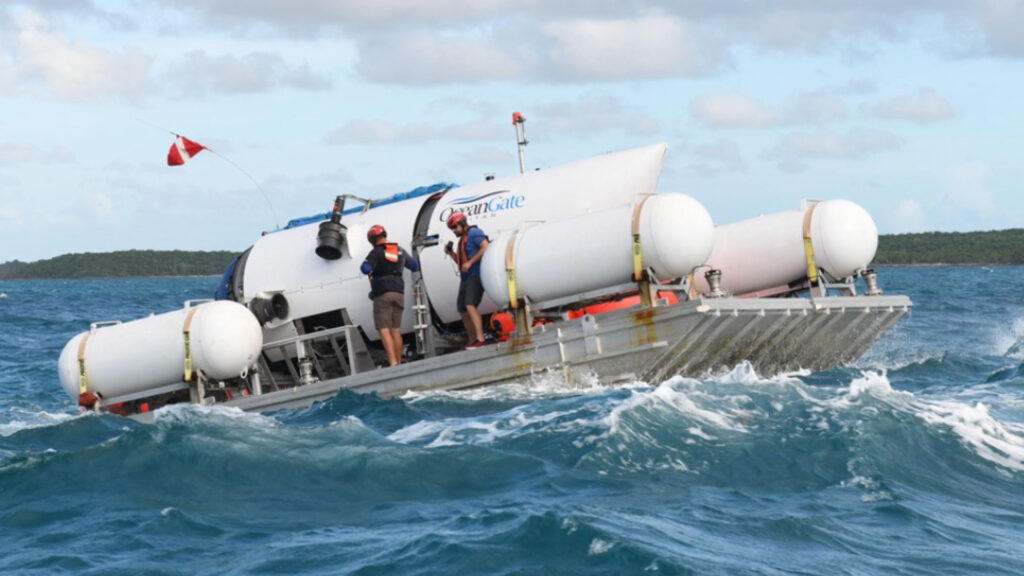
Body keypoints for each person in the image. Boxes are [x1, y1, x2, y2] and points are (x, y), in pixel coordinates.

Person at [360, 225, 419, 366]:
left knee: (384, 330)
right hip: (399, 293)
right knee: (395, 329)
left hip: (383, 295)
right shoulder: (399, 250)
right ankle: (398, 361)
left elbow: (365, 268)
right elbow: (414, 266)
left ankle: (393, 363)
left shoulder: (375, 252)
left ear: (373, 240)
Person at [443, 212, 489, 349]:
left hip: (475, 274)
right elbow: (461, 262)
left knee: (470, 304)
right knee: (462, 308)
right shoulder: (462, 239)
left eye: (454, 227)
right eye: (451, 228)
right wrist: (451, 253)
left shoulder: (474, 233)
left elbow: (485, 246)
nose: (453, 230)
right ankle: (472, 339)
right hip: (466, 277)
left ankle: (480, 338)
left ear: (462, 223)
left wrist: (471, 262)